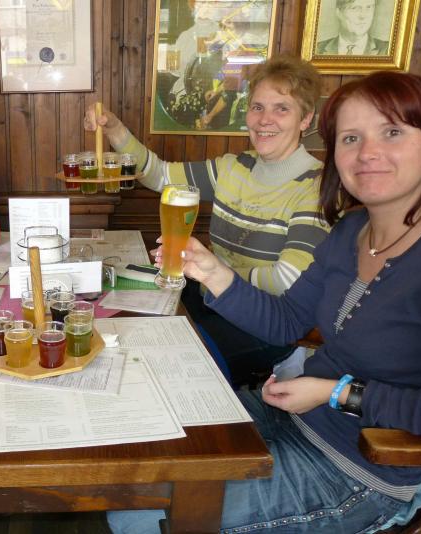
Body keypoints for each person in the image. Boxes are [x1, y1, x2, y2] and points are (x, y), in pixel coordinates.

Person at [111, 71, 421, 533]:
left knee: (136, 515)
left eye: (392, 132)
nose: (367, 152)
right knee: (133, 458)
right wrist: (212, 272)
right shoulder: (351, 230)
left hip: (358, 469)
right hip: (293, 416)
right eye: (350, 138)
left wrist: (337, 392)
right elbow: (286, 321)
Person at [85, 55, 330, 387]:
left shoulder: (316, 187)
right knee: (129, 331)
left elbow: (285, 281)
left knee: (163, 365)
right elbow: (159, 176)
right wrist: (114, 128)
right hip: (210, 301)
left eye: (281, 109)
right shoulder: (233, 167)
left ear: (306, 118)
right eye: (257, 107)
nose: (265, 120)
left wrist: (211, 273)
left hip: (266, 325)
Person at [316, 0, 389, 56]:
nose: (363, 16)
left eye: (369, 7)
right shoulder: (318, 50)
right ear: (339, 12)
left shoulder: (387, 50)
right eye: (355, 8)